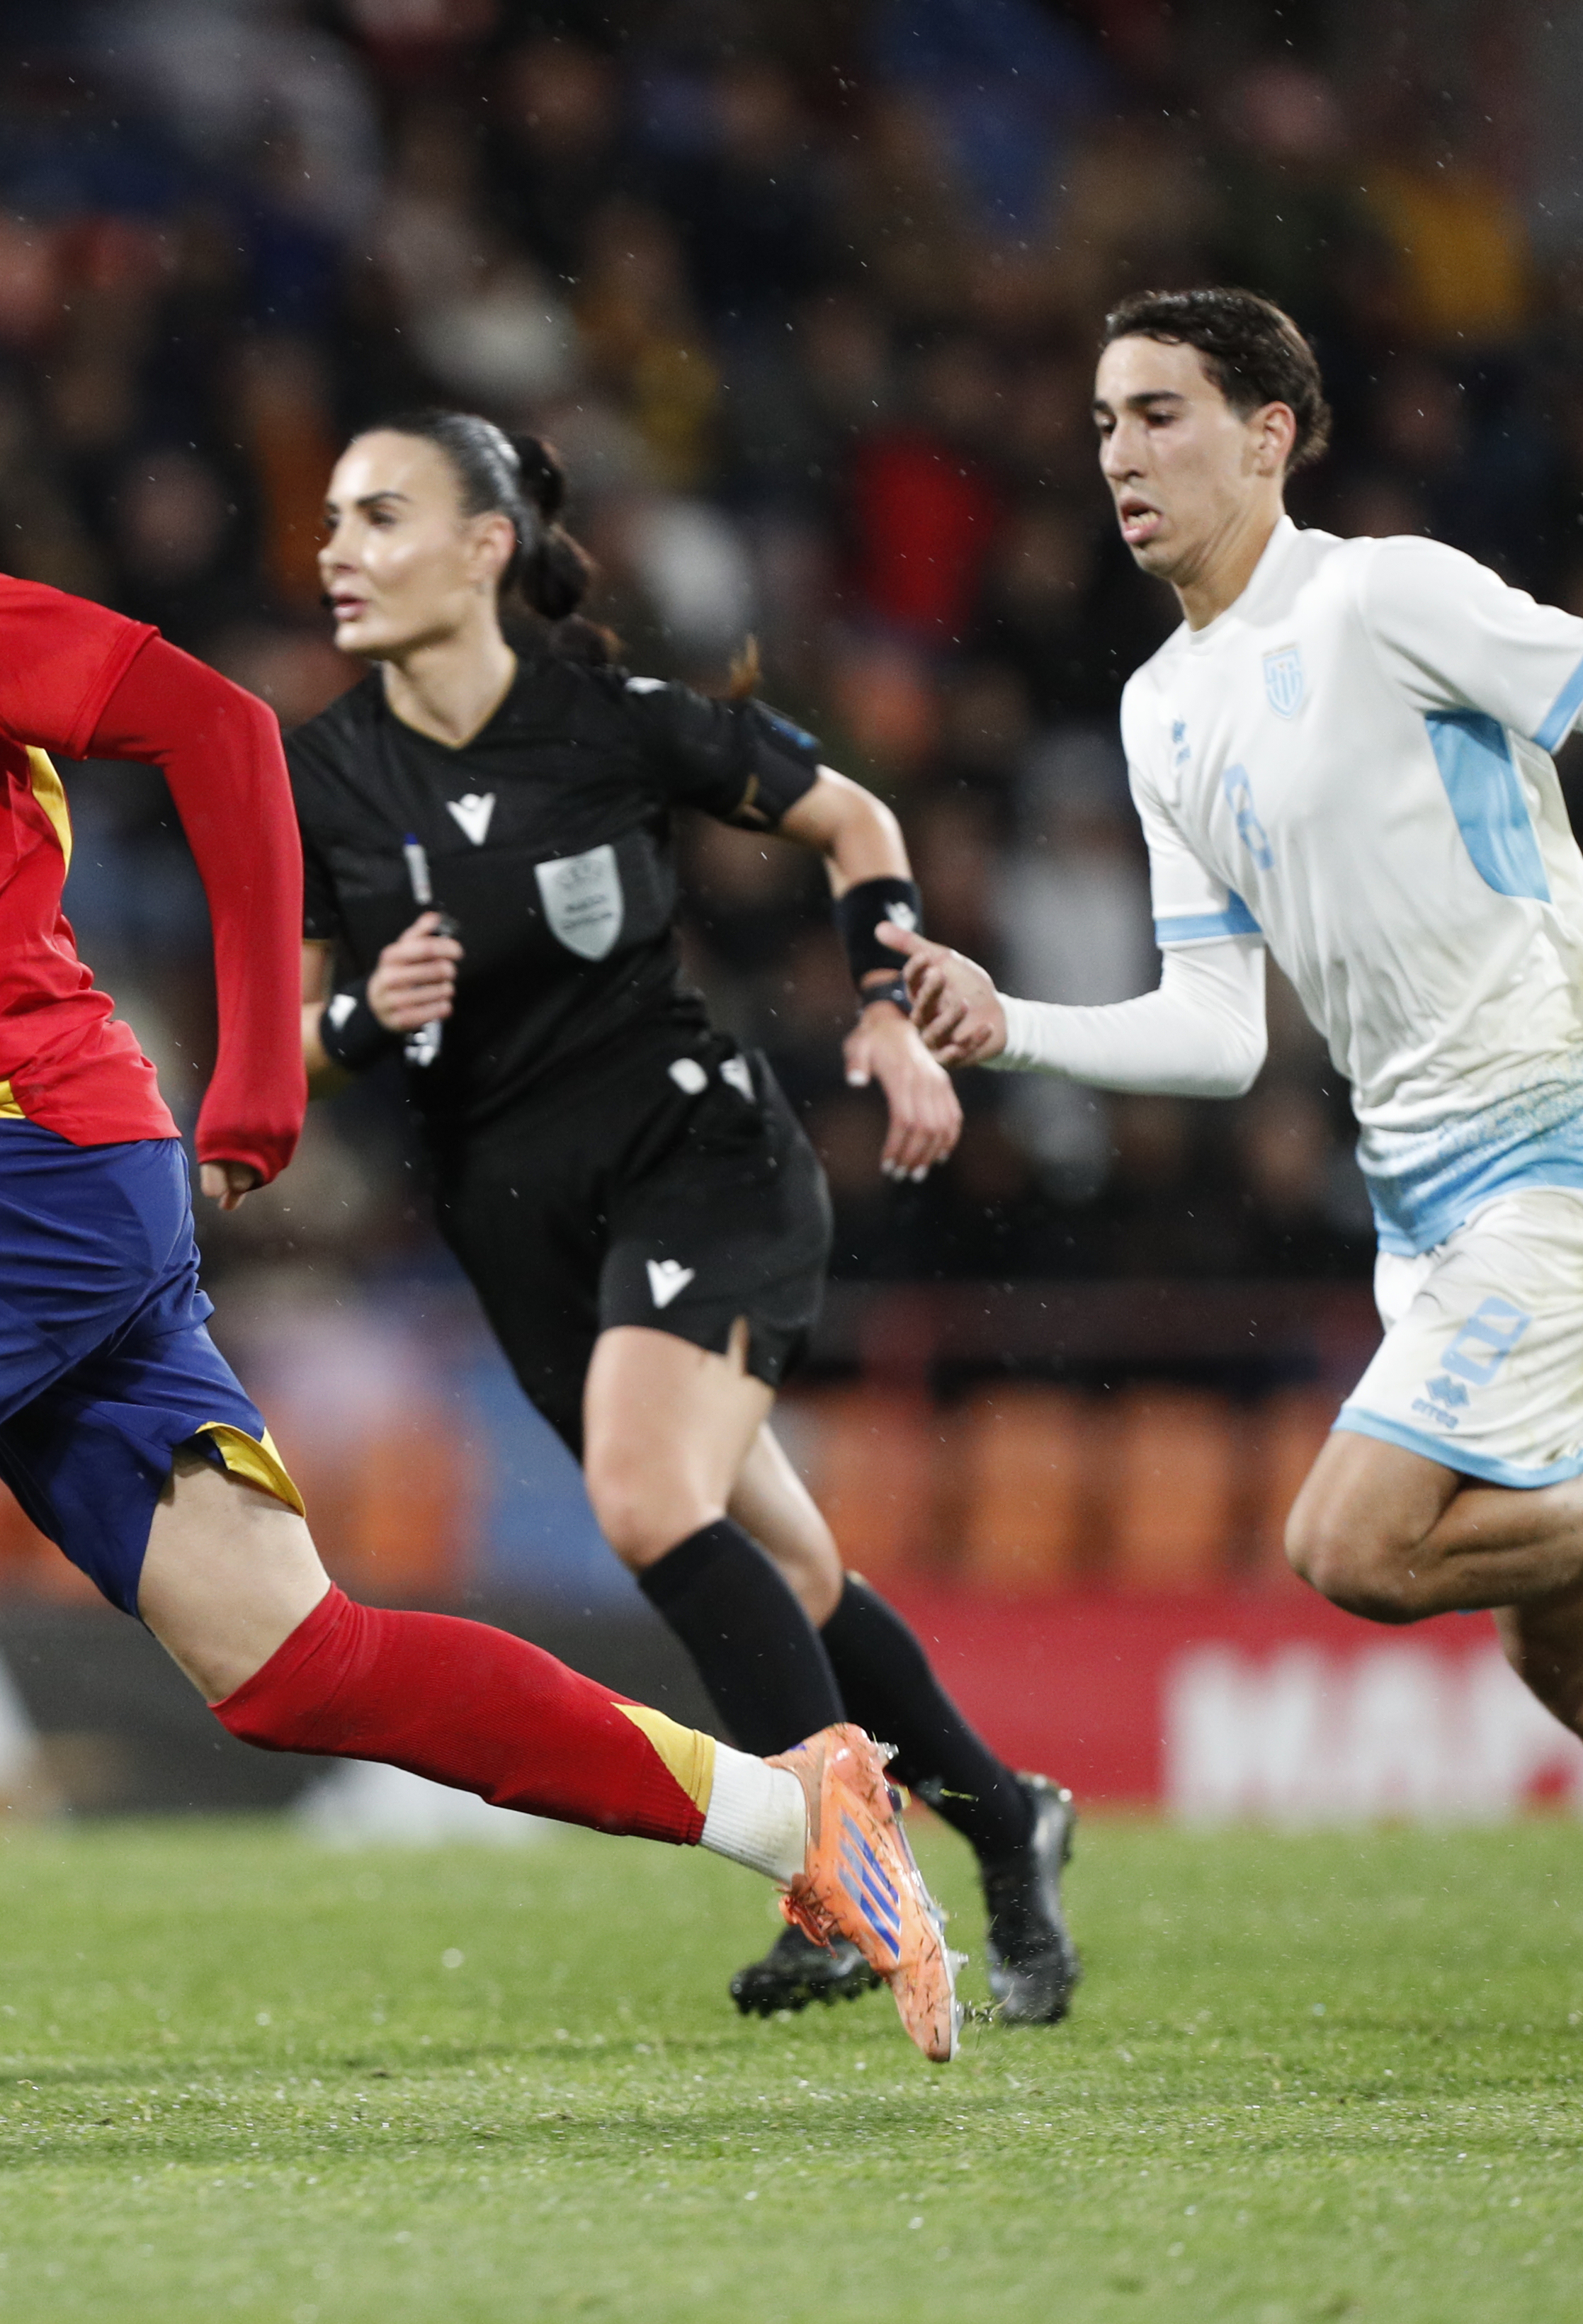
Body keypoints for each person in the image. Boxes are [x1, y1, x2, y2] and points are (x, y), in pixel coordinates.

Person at [0, 285, 960, 2113]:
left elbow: (213, 728)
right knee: (292, 1661)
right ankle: (801, 1811)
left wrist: (261, 1070)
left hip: (30, 1141)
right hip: (23, 1180)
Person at [890, 286, 1583, 1947]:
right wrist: (1014, 1026)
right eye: (1106, 423)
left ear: (1270, 437)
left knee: (1353, 1540)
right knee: (1572, 1654)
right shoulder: (1160, 710)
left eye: (1162, 414)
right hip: (1428, 1195)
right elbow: (1215, 1031)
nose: (1121, 453)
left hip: (1571, 1126)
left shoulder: (1382, 596)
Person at [290, 411, 1080, 2024]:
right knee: (780, 1568)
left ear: (486, 548)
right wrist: (364, 1018)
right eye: (330, 521)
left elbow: (857, 819)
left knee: (651, 1499)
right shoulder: (319, 772)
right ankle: (1006, 1817)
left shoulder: (614, 717)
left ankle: (839, 1871)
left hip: (694, 1155)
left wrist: (885, 1005)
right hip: (513, 1224)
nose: (337, 551)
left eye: (380, 517)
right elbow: (289, 1027)